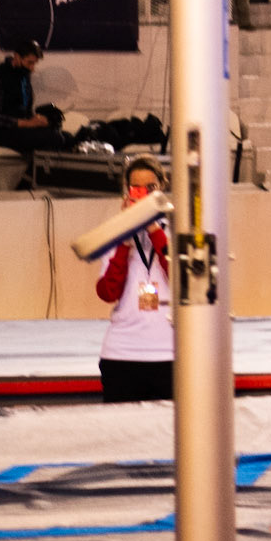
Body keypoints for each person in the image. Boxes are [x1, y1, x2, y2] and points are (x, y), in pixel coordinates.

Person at [94, 155, 173, 402]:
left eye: (151, 188)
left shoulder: (177, 229)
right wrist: (126, 239)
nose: (145, 195)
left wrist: (152, 227)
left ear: (162, 187)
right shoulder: (116, 234)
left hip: (169, 354)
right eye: (137, 189)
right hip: (121, 354)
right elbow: (108, 292)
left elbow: (180, 278)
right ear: (127, 193)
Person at [0, 40, 69, 154]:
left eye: (34, 64)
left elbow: (24, 110)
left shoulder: (23, 76)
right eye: (29, 63)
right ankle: (36, 171)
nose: (32, 68)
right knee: (53, 138)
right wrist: (26, 123)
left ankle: (42, 170)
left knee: (68, 138)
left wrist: (38, 120)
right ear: (17, 57)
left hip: (20, 129)